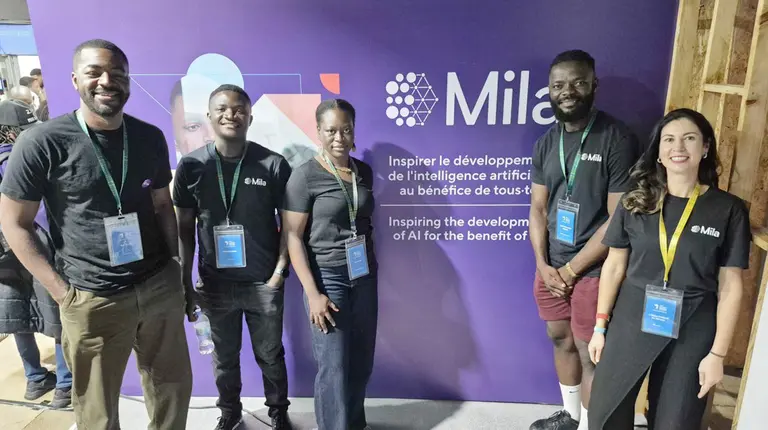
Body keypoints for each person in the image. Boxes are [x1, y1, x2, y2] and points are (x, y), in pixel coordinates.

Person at [0, 39, 194, 429]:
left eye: (117, 73)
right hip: (92, 297)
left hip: (157, 286)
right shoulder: (41, 142)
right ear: (75, 80)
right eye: (95, 72)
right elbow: (13, 224)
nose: (107, 81)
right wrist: (61, 293)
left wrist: (175, 266)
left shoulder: (149, 137)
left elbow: (161, 206)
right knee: (97, 411)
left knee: (173, 391)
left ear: (128, 81)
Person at [587, 108, 750, 429]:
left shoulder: (728, 210)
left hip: (693, 326)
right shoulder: (635, 202)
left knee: (675, 422)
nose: (679, 147)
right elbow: (614, 266)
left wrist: (717, 355)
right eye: (670, 140)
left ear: (705, 147)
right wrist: (599, 327)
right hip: (633, 318)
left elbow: (731, 286)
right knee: (604, 415)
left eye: (689, 139)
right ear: (659, 152)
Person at [528, 50, 641, 430]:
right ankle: (571, 417)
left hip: (594, 269)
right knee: (559, 338)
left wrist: (574, 269)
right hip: (553, 267)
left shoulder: (616, 138)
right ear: (548, 90)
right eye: (558, 85)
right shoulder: (546, 143)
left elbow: (617, 217)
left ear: (594, 85)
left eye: (577, 82)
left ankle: (593, 425)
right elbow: (538, 209)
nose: (567, 91)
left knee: (588, 351)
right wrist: (544, 266)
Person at [174, 84, 292, 430]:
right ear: (209, 116)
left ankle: (278, 411)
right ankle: (230, 411)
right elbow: (183, 230)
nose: (231, 114)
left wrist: (279, 272)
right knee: (224, 360)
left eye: (239, 109)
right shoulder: (192, 167)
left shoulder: (272, 164)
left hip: (262, 282)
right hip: (215, 285)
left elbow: (290, 227)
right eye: (222, 108)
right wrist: (186, 281)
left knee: (270, 356)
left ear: (250, 117)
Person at [282, 99, 377, 430]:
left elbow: (363, 224)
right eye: (331, 130)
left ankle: (353, 423)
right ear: (319, 131)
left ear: (354, 131)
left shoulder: (363, 172)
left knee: (361, 360)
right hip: (327, 278)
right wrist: (313, 293)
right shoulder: (304, 177)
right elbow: (293, 237)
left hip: (363, 275)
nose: (339, 137)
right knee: (334, 365)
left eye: (346, 129)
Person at [0, 100, 72, 408]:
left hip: (4, 254)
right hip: (36, 246)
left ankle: (34, 378)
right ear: (11, 132)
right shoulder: (23, 161)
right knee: (59, 312)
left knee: (17, 315)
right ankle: (66, 386)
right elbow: (42, 213)